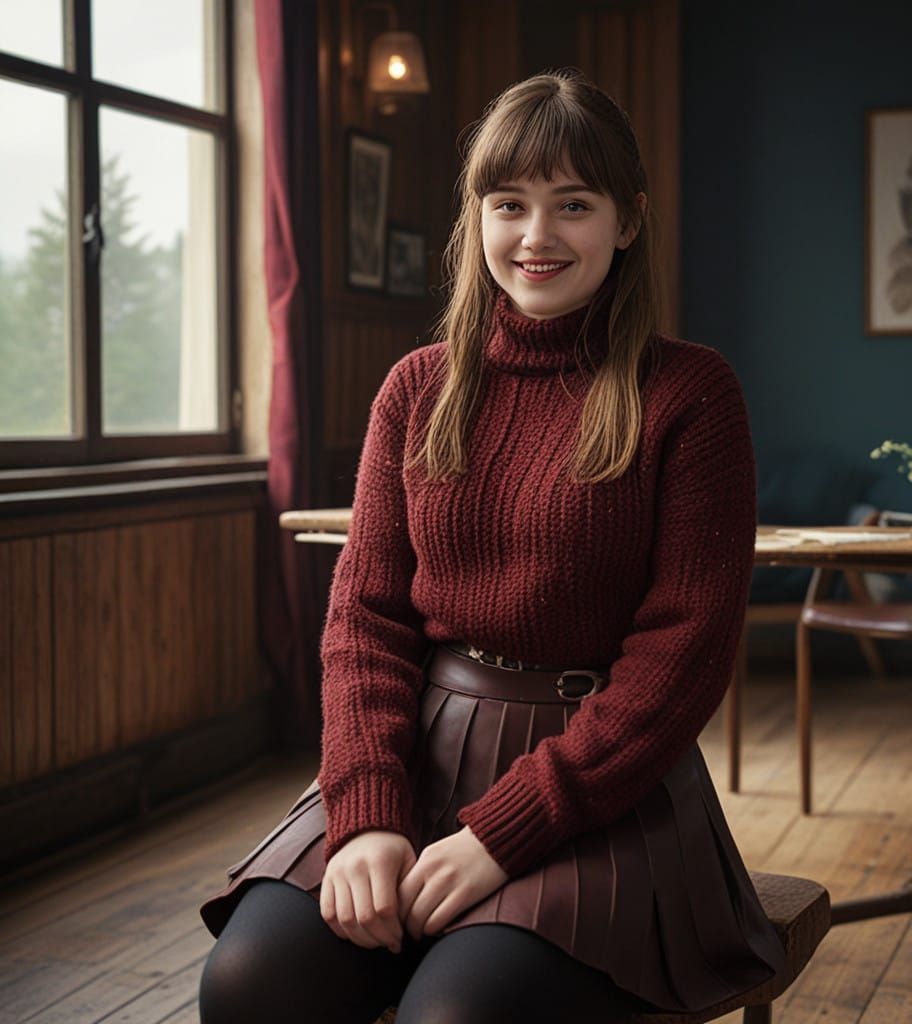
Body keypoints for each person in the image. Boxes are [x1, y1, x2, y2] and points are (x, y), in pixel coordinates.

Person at [197, 68, 786, 1024]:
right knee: (250, 984)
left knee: (456, 1016)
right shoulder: (416, 389)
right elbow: (365, 624)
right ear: (477, 217)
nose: (536, 236)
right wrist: (367, 814)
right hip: (416, 752)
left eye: (573, 205)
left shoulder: (691, 395)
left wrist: (502, 835)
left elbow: (685, 654)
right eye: (509, 203)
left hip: (601, 784)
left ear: (627, 221)